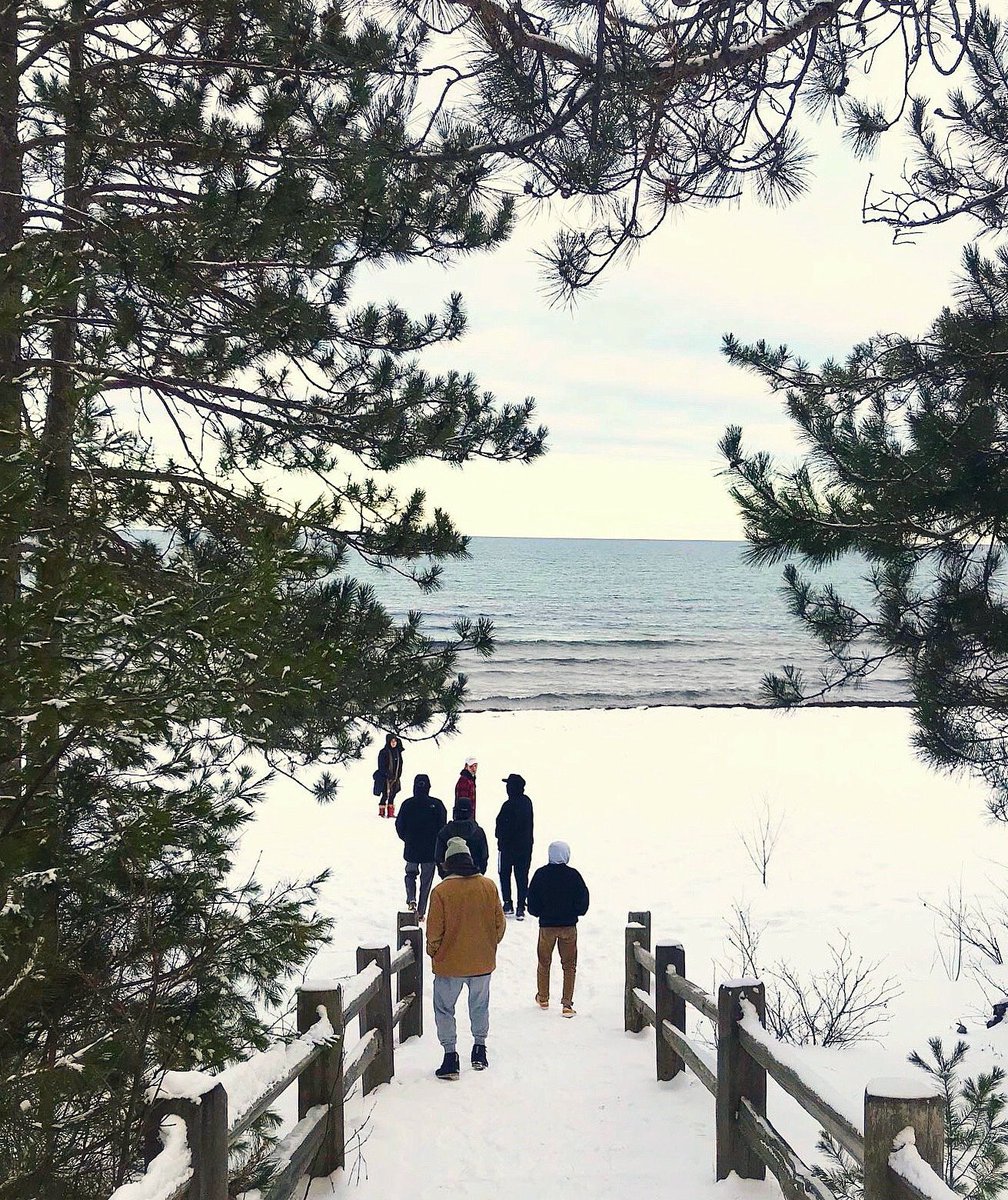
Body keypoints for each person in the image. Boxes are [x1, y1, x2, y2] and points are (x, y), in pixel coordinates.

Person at [426, 836, 506, 1078]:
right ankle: (479, 1049)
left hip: (449, 964)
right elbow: (499, 925)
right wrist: (489, 945)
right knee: (480, 1006)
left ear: (448, 863)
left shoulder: (441, 891)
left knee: (444, 1008)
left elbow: (433, 932)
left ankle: (450, 1057)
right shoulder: (488, 886)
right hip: (482, 962)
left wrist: (435, 952)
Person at [526, 841, 590, 1018]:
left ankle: (543, 997)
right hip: (569, 927)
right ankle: (567, 1004)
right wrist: (574, 911)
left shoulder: (540, 875)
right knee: (569, 966)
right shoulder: (574, 876)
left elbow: (532, 904)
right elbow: (583, 902)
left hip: (547, 927)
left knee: (544, 962)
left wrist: (540, 912)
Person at [394, 774, 448, 919]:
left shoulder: (407, 804)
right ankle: (421, 911)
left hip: (412, 848)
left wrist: (407, 838)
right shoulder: (437, 805)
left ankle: (411, 898)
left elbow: (399, 825)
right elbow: (443, 827)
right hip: (430, 850)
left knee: (410, 874)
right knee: (426, 881)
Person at [495, 773, 534, 920]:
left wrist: (501, 838)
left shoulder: (508, 805)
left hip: (507, 848)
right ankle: (520, 906)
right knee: (522, 875)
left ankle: (508, 903)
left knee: (504, 874)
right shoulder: (527, 803)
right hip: (525, 847)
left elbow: (500, 827)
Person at [433, 797, 489, 876]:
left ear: (455, 812)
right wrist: (479, 872)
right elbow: (484, 856)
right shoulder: (478, 832)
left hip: (450, 877)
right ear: (471, 812)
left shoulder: (444, 832)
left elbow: (438, 857)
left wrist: (445, 874)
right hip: (474, 876)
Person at [374, 733, 403, 818]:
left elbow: (400, 764)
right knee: (385, 794)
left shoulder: (398, 752)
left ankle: (390, 812)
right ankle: (382, 811)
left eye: (395, 741)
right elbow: (381, 766)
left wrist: (398, 775)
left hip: (396, 777)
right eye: (392, 741)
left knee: (393, 794)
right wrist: (387, 774)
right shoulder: (384, 752)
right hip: (385, 778)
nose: (394, 743)